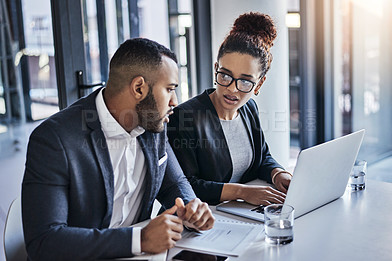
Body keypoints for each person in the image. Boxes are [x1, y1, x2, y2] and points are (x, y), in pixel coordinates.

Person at [22, 38, 215, 261]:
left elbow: (174, 183)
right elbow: (44, 241)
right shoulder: (54, 139)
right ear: (139, 88)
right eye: (170, 89)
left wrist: (192, 210)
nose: (175, 101)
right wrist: (139, 239)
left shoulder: (152, 121)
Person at [167, 12, 292, 206]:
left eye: (245, 81)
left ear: (258, 85)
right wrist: (242, 192)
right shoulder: (184, 117)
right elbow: (185, 186)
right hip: (200, 220)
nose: (232, 88)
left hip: (238, 214)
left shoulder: (249, 107)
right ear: (216, 68)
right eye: (225, 75)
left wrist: (278, 174)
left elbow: (262, 157)